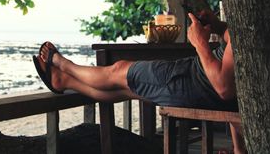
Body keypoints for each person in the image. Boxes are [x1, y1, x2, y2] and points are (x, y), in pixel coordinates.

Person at [33, 11, 246, 154]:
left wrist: (200, 44)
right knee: (126, 89)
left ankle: (63, 64)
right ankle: (64, 80)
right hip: (190, 85)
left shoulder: (251, 27)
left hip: (185, 81)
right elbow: (235, 96)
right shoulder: (255, 27)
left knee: (119, 71)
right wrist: (218, 26)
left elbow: (224, 88)